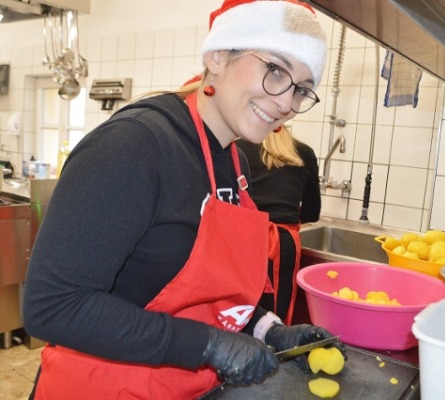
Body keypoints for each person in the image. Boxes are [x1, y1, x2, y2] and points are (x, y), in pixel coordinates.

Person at [23, 1, 344, 399]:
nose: (285, 104)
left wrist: (268, 329)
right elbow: (52, 306)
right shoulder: (134, 145)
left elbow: (204, 292)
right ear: (218, 55)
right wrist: (208, 346)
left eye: (302, 89)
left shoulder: (233, 162)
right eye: (276, 70)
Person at [236, 125, 321, 324]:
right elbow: (312, 212)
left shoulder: (237, 149)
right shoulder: (304, 153)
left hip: (244, 239)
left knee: (239, 312)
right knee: (276, 318)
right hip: (283, 246)